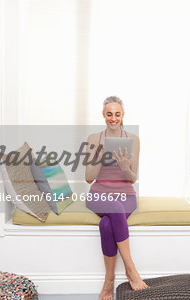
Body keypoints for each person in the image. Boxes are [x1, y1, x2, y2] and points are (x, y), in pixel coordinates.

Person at [85, 96, 149, 300]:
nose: (113, 118)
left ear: (123, 116)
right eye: (109, 114)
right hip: (98, 194)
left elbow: (132, 179)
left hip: (126, 195)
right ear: (104, 115)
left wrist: (123, 166)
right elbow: (88, 178)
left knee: (106, 224)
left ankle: (109, 281)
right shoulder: (94, 138)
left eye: (117, 114)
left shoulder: (133, 140)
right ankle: (132, 270)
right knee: (114, 207)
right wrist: (99, 156)